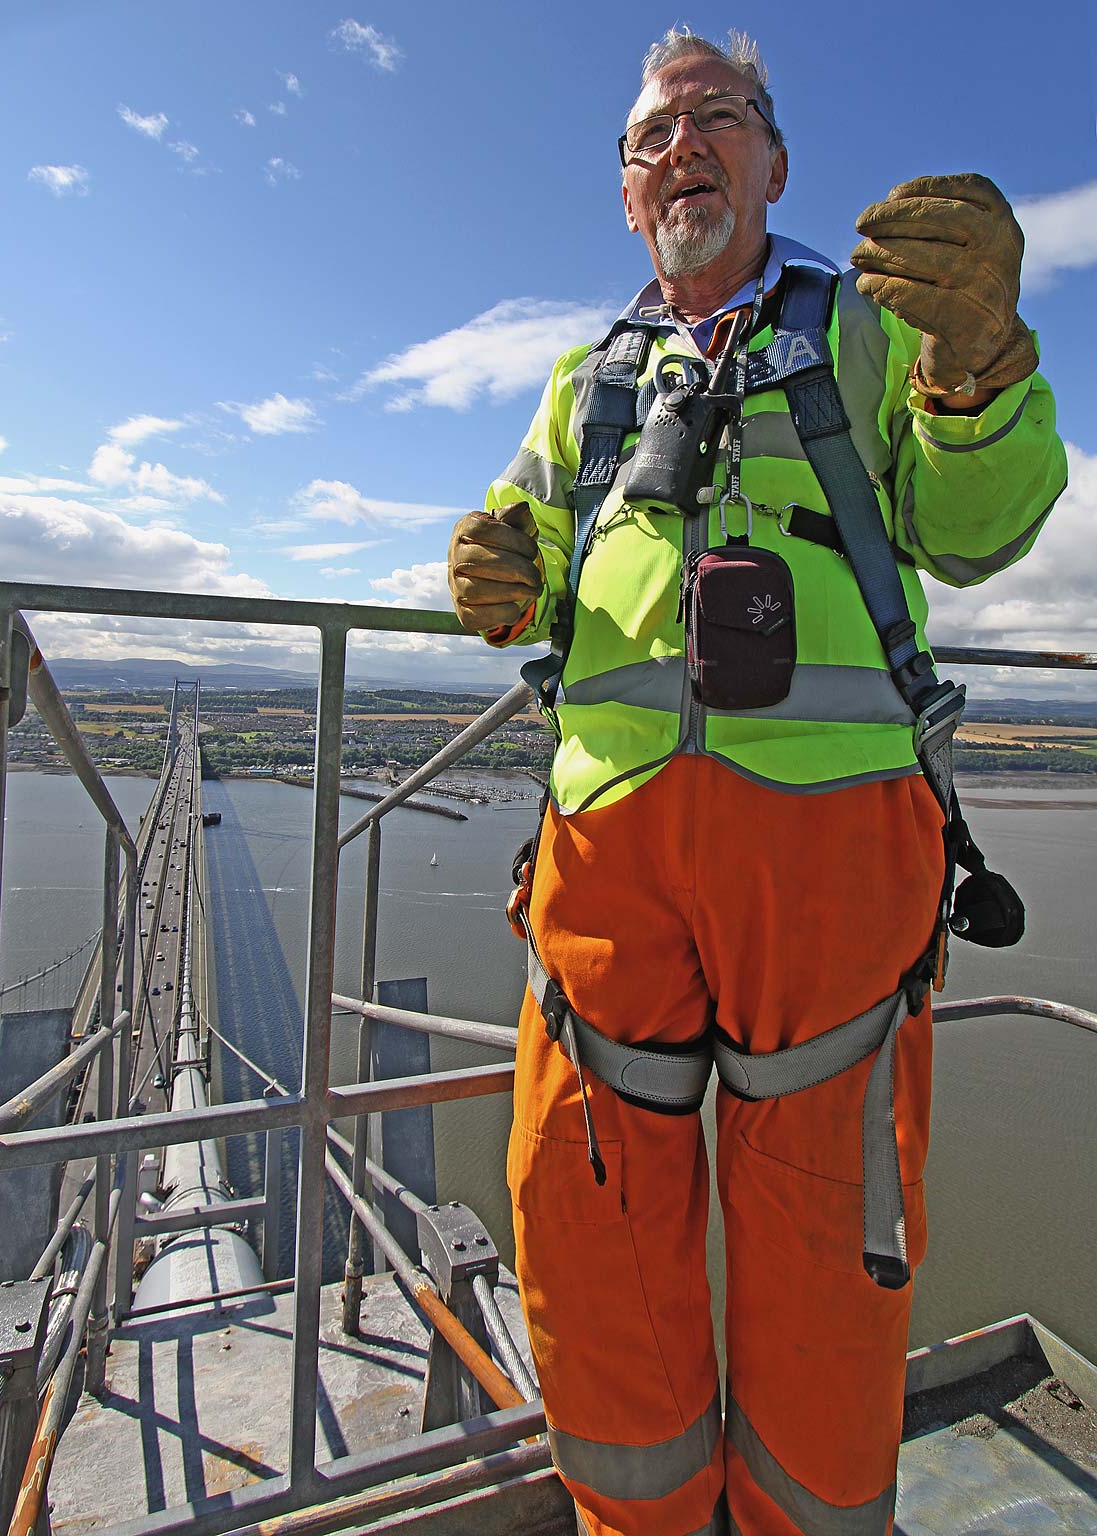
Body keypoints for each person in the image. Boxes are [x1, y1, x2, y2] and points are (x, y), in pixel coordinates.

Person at [446, 27, 1066, 1536]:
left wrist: (975, 364)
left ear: (773, 161)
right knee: (589, 1233)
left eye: (712, 119)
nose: (678, 150)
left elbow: (974, 533)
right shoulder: (581, 380)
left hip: (829, 857)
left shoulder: (868, 328)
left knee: (819, 1258)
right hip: (604, 852)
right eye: (650, 134)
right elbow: (518, 556)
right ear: (623, 191)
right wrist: (489, 574)